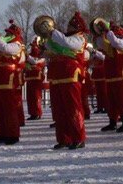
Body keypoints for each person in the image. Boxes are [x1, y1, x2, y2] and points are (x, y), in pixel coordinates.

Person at [47, 12, 89, 150]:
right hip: (57, 75)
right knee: (59, 109)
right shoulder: (63, 38)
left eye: (70, 25)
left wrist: (53, 31)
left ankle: (78, 138)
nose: (68, 27)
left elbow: (67, 43)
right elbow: (49, 47)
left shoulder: (79, 39)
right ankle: (63, 139)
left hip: (70, 75)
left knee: (73, 107)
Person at [98, 20, 123, 132]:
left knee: (122, 100)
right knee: (111, 100)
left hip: (121, 75)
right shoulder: (111, 41)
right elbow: (101, 44)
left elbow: (115, 42)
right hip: (111, 74)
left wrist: (108, 31)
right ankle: (112, 121)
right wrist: (100, 33)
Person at [23, 39, 46, 121]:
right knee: (30, 97)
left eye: (34, 45)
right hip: (30, 77)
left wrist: (27, 56)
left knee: (36, 96)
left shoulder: (42, 56)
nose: (33, 47)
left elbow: (35, 62)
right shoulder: (30, 55)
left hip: (37, 77)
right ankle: (32, 113)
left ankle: (37, 113)